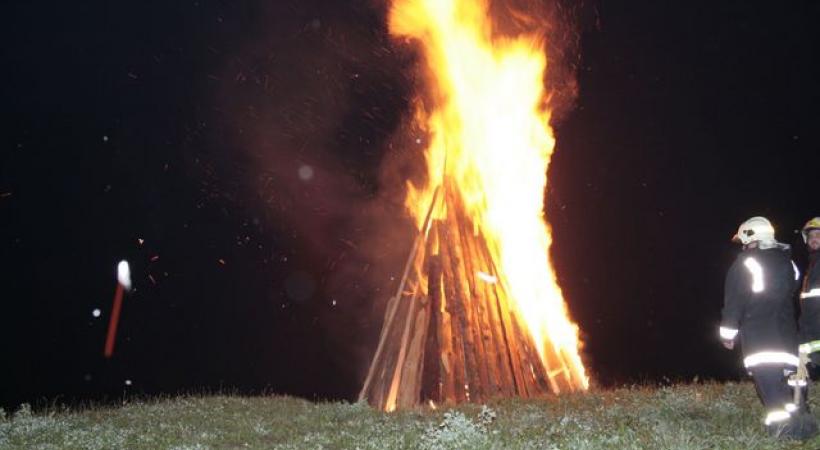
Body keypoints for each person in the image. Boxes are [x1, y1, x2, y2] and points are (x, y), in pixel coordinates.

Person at [719, 216, 807, 438]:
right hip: (787, 341)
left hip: (761, 340)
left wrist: (728, 333)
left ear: (752, 238)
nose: (743, 246)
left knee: (772, 394)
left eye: (744, 241)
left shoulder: (744, 264)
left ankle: (784, 434)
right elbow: (791, 289)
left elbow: (735, 301)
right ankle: (802, 427)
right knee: (787, 390)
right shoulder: (789, 263)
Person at [798, 217, 820, 360]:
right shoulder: (812, 264)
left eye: (818, 235)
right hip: (811, 325)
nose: (813, 239)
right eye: (810, 236)